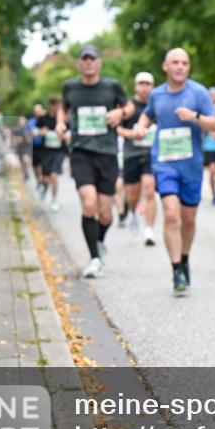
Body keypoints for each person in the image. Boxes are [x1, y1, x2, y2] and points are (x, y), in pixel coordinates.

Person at [134, 48, 215, 296]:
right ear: (165, 66)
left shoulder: (198, 92)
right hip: (164, 163)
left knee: (188, 219)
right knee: (171, 215)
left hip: (191, 166)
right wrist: (140, 127)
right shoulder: (157, 94)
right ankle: (176, 270)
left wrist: (194, 116)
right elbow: (146, 117)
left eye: (184, 63)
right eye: (175, 62)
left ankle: (184, 258)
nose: (180, 66)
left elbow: (213, 124)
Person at [56, 44, 133, 278]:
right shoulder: (70, 87)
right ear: (80, 63)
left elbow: (128, 106)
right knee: (88, 204)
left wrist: (121, 113)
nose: (88, 62)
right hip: (81, 152)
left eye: (92, 59)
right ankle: (94, 258)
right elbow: (64, 107)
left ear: (99, 62)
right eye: (84, 59)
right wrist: (61, 122)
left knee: (106, 214)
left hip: (107, 153)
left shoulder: (111, 86)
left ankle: (99, 241)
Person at [117, 72, 158, 245]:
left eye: (147, 84)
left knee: (149, 190)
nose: (144, 87)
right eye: (141, 84)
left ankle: (149, 230)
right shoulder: (129, 106)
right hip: (132, 154)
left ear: (152, 86)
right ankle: (132, 212)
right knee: (132, 194)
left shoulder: (156, 104)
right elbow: (117, 129)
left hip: (152, 154)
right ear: (135, 86)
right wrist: (132, 134)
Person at [37, 98, 66, 212]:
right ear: (50, 105)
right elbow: (35, 132)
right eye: (54, 104)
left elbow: (68, 133)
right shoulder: (43, 119)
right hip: (46, 151)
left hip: (59, 151)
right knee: (46, 178)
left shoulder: (63, 119)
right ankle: (44, 186)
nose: (56, 107)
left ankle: (54, 200)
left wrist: (64, 136)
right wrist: (40, 132)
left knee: (54, 175)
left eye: (58, 105)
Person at [27, 102, 47, 192]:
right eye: (36, 111)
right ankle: (38, 180)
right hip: (34, 146)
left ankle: (42, 180)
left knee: (41, 165)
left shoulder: (46, 120)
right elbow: (28, 133)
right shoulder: (31, 122)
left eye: (39, 110)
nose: (38, 112)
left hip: (44, 146)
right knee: (35, 166)